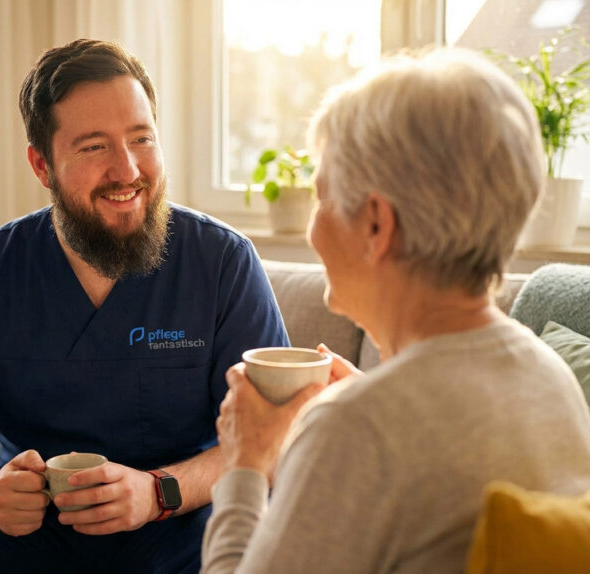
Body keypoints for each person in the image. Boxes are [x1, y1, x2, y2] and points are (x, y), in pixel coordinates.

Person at [0, 39, 289, 574]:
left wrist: (159, 493)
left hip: (177, 520)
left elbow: (272, 434)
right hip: (34, 532)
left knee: (261, 542)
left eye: (142, 138)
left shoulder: (222, 261)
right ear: (42, 165)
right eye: (93, 147)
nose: (127, 169)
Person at [201, 47, 590, 573]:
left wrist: (244, 463)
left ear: (377, 225)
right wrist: (372, 400)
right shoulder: (552, 378)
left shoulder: (356, 430)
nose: (314, 229)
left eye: (321, 199)